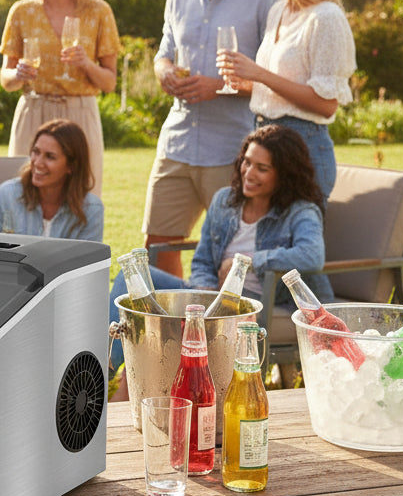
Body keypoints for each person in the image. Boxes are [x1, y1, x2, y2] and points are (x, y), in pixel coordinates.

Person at [110, 124, 332, 379]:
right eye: (247, 162)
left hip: (251, 304)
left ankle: (131, 383)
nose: (249, 173)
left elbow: (312, 255)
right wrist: (203, 288)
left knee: (168, 322)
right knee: (130, 280)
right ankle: (104, 368)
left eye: (262, 169)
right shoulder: (225, 201)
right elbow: (203, 259)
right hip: (210, 296)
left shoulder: (300, 211)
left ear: (284, 174)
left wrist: (248, 262)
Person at [143, 0, 279, 277]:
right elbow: (163, 52)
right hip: (177, 143)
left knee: (228, 254)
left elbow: (275, 81)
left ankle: (220, 333)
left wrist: (219, 85)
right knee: (157, 248)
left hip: (232, 149)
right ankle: (176, 328)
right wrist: (164, 71)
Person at [217, 0, 356, 201]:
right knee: (260, 240)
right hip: (264, 143)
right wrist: (245, 82)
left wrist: (258, 73)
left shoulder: (326, 18)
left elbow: (325, 104)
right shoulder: (278, 11)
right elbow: (281, 90)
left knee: (293, 243)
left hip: (302, 150)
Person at [0, 0, 119, 192]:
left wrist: (86, 64)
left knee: (81, 196)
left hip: (80, 114)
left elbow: (109, 82)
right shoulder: (22, 11)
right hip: (33, 111)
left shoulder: (98, 11)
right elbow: (6, 79)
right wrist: (17, 74)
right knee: (23, 196)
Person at [0, 119, 104, 241]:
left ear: (71, 166)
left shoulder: (91, 209)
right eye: (36, 152)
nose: (37, 163)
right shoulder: (6, 196)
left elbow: (89, 259)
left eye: (50, 157)